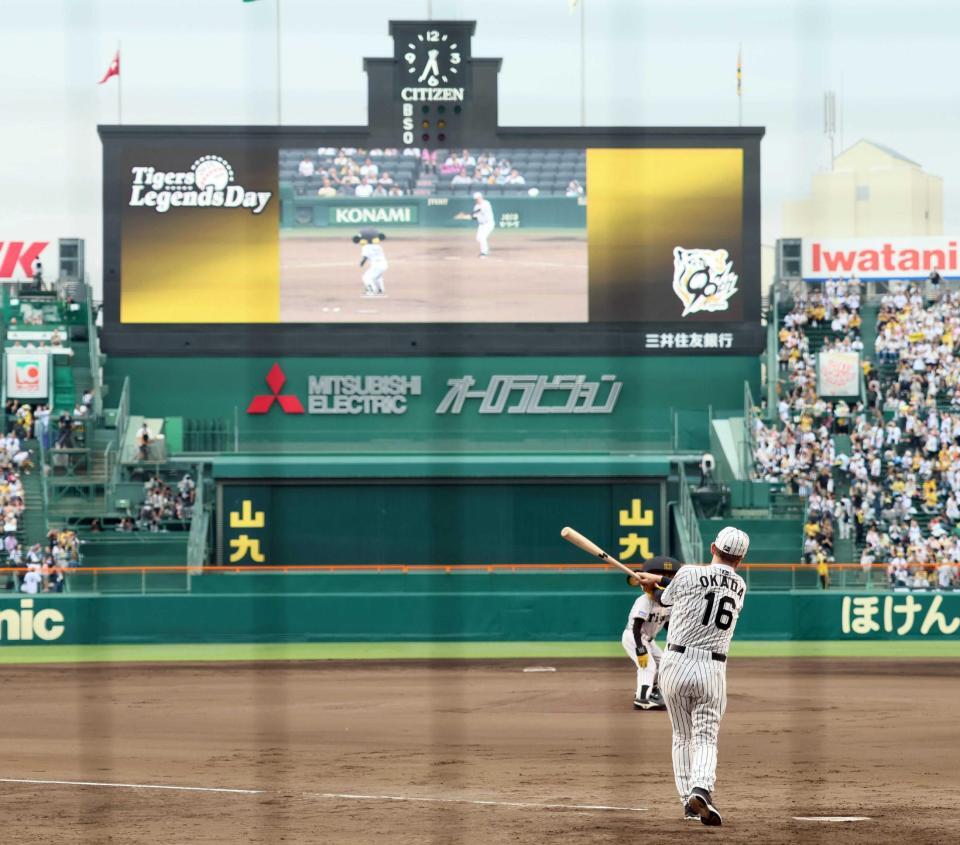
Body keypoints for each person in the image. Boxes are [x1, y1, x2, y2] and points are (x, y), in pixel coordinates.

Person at [634, 526, 750, 826]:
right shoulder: (739, 586)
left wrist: (651, 585)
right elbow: (699, 583)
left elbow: (665, 599)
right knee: (706, 737)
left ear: (713, 547)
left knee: (682, 736)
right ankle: (701, 789)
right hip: (712, 669)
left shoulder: (687, 574)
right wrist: (657, 581)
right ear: (741, 558)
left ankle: (688, 803)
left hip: (675, 663)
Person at [621, 556, 682, 710]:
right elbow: (636, 627)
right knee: (648, 666)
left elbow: (668, 624)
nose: (668, 578)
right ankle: (642, 699)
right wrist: (640, 649)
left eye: (670, 576)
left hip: (649, 640)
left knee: (664, 663)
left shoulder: (666, 603)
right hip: (634, 637)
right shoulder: (644, 601)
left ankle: (653, 690)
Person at [353, 229, 387, 297]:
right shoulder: (378, 246)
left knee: (366, 277)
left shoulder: (366, 247)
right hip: (384, 264)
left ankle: (371, 291)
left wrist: (361, 263)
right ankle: (380, 291)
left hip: (376, 265)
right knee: (377, 277)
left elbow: (365, 257)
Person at [471, 191, 494, 257]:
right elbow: (474, 217)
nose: (477, 200)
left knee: (482, 238)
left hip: (488, 224)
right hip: (481, 225)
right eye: (476, 199)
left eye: (478, 198)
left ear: (481, 197)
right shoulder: (476, 206)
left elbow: (481, 210)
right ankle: (486, 249)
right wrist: (471, 216)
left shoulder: (486, 203)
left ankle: (484, 252)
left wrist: (472, 213)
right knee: (478, 238)